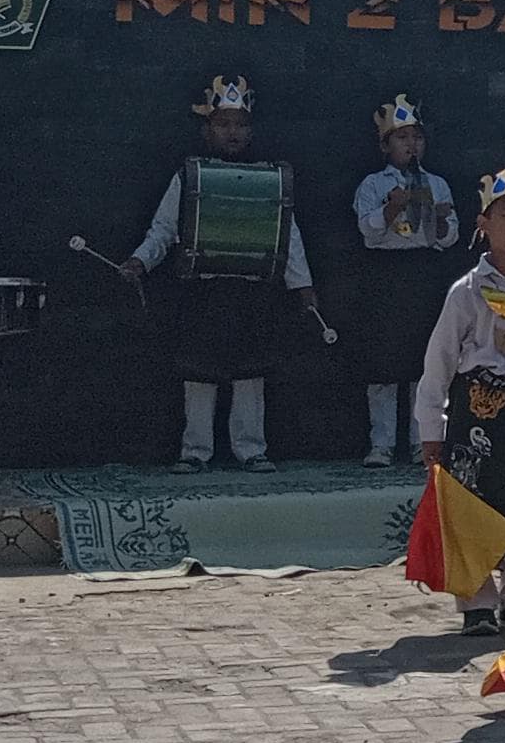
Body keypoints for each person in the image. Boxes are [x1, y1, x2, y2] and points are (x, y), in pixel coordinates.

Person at [123, 76, 325, 470]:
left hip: (252, 289)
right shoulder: (189, 176)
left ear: (250, 132)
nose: (232, 132)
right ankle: (195, 451)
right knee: (198, 372)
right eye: (223, 124)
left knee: (251, 373)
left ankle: (251, 450)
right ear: (207, 129)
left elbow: (289, 234)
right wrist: (140, 260)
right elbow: (164, 230)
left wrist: (303, 285)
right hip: (204, 289)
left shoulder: (270, 179)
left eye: (240, 125)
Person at [416, 167, 505, 635]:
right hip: (477, 408)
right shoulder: (466, 293)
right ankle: (476, 597)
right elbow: (438, 364)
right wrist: (430, 431)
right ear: (484, 224)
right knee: (472, 503)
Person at [345, 97, 463, 467]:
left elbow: (450, 238)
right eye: (402, 138)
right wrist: (392, 207)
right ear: (385, 145)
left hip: (423, 273)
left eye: (417, 138)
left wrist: (441, 221)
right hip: (385, 273)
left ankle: (420, 440)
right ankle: (380, 442)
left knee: (421, 362)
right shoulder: (371, 184)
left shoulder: (438, 183)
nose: (411, 146)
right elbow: (368, 232)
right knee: (383, 362)